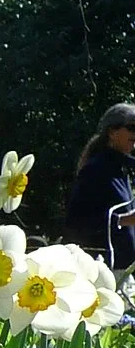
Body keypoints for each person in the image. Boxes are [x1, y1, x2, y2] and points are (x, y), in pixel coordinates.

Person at [65, 103, 135, 267]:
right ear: (112, 132)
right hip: (105, 269)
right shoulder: (95, 169)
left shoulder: (121, 169)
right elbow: (76, 222)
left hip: (125, 268)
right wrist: (123, 219)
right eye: (132, 128)